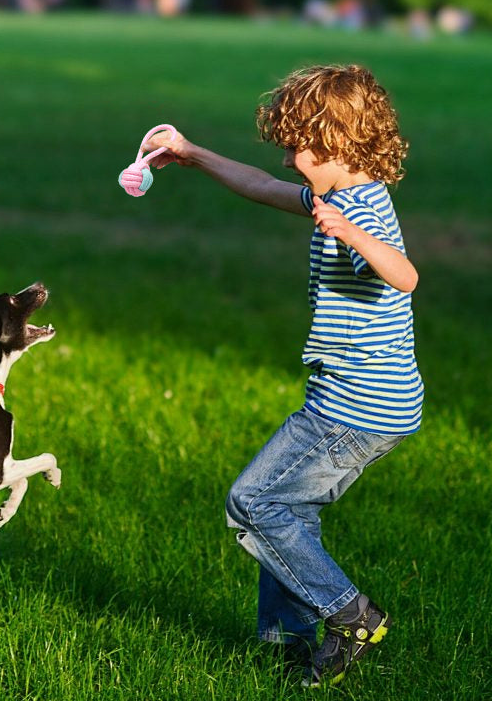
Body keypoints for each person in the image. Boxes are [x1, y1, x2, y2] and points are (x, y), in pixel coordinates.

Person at [147, 64, 424, 687]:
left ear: (340, 146)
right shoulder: (335, 194)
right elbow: (260, 185)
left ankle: (350, 614)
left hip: (357, 410)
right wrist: (189, 153)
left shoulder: (362, 212)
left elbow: (405, 276)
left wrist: (351, 232)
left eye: (302, 146)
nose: (292, 159)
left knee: (254, 501)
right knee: (290, 509)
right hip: (361, 401)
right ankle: (285, 641)